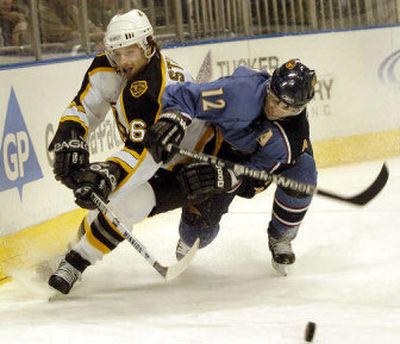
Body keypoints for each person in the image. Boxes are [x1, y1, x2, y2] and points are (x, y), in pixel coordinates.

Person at [47, 9, 213, 294]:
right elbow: (85, 107)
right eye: (117, 53)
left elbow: (144, 153)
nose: (122, 61)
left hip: (193, 163)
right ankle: (74, 259)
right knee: (117, 200)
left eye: (130, 52)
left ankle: (77, 255)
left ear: (148, 45)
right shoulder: (106, 67)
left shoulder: (159, 86)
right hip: (153, 153)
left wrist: (109, 174)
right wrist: (71, 135)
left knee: (187, 227)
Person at [145, 58, 318, 276]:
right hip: (219, 144)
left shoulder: (289, 140)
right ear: (269, 86)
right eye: (274, 99)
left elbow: (256, 178)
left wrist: (227, 177)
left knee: (303, 173)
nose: (275, 109)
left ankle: (281, 237)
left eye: (286, 107)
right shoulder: (239, 93)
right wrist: (173, 120)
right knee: (196, 234)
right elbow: (185, 96)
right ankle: (189, 234)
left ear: (299, 108)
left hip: (253, 165)